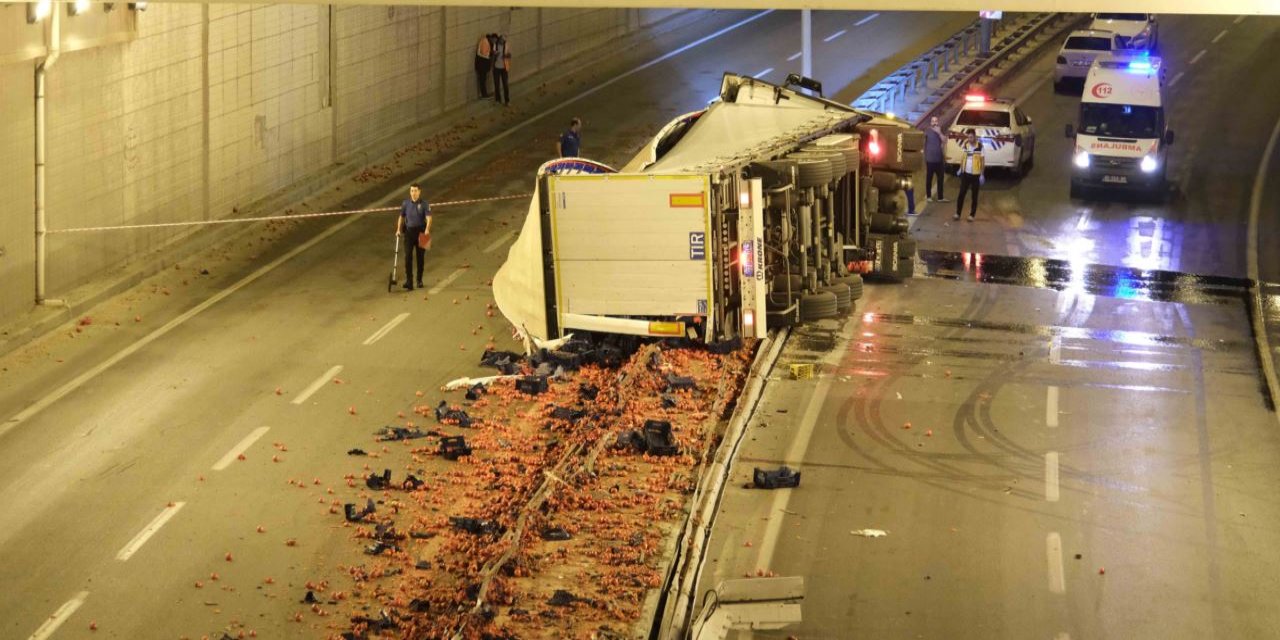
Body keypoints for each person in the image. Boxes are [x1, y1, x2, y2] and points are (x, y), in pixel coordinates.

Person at [396, 183, 431, 290]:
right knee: (408, 257)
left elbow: (429, 218)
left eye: (415, 191)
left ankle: (419, 280)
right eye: (411, 191)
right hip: (409, 232)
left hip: (422, 231)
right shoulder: (405, 203)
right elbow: (401, 217)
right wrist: (398, 229)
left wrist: (427, 229)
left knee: (421, 258)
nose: (413, 193)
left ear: (419, 192)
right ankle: (409, 281)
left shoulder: (425, 204)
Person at [954, 128, 985, 221]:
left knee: (974, 196)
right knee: (961, 194)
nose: (969, 139)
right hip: (966, 174)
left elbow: (982, 161)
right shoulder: (966, 144)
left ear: (974, 136)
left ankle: (972, 215)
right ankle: (958, 213)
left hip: (975, 175)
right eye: (968, 137)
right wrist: (960, 168)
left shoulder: (980, 146)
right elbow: (963, 157)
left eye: (971, 137)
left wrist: (982, 174)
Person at [922, 116, 947, 203]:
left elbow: (944, 140)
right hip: (930, 159)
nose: (934, 123)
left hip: (939, 159)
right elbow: (923, 143)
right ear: (930, 123)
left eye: (936, 121)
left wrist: (939, 133)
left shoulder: (940, 130)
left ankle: (940, 197)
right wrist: (924, 156)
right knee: (929, 178)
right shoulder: (927, 131)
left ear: (938, 122)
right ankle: (928, 196)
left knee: (940, 178)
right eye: (933, 121)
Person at [491, 34, 510, 106]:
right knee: (497, 85)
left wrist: (506, 56)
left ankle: (507, 100)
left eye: (504, 41)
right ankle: (498, 100)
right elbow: (492, 54)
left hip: (504, 68)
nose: (502, 42)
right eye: (501, 40)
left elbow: (509, 55)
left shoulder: (506, 45)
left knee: (505, 84)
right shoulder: (495, 45)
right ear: (499, 39)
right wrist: (495, 54)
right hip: (496, 68)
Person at [474, 34, 492, 99]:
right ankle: (484, 94)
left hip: (480, 66)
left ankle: (483, 94)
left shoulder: (482, 41)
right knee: (483, 80)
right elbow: (485, 55)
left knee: (482, 80)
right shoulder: (485, 42)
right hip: (482, 67)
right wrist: (490, 54)